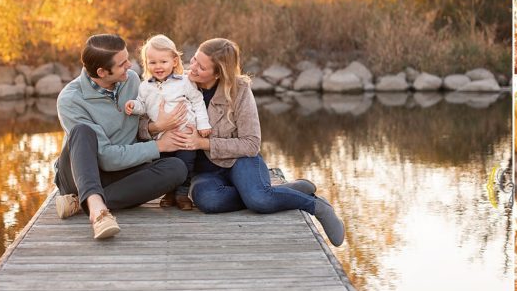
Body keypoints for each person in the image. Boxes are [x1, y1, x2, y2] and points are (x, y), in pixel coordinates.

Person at [144, 38, 347, 247]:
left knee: (259, 201)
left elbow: (251, 144)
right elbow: (144, 124)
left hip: (240, 161)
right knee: (208, 201)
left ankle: (317, 206)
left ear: (218, 73)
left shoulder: (239, 90)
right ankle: (283, 190)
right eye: (194, 60)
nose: (192, 68)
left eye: (201, 67)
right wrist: (157, 127)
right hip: (205, 173)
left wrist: (203, 143)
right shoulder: (178, 84)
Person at [52, 34, 189, 239]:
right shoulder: (71, 99)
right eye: (122, 63)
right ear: (102, 72)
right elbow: (106, 157)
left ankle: (82, 201)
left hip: (123, 170)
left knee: (177, 168)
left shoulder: (131, 80)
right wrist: (158, 146)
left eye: (128, 58)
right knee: (82, 131)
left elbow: (140, 122)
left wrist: (156, 127)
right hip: (81, 172)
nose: (131, 65)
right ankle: (97, 210)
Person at [125, 34, 210, 209]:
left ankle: (182, 195)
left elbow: (197, 101)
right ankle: (169, 193)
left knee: (186, 164)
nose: (158, 66)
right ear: (146, 63)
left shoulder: (184, 82)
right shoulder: (145, 86)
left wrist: (203, 124)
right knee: (164, 165)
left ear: (174, 61)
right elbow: (143, 107)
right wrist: (134, 105)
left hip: (186, 134)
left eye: (163, 62)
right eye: (153, 62)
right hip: (162, 138)